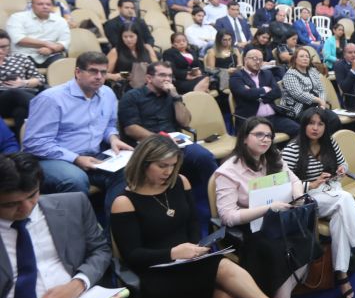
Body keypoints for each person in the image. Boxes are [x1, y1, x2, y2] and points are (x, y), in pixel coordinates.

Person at [110, 135, 316, 298]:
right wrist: (173, 253)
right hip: (155, 275)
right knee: (222, 266)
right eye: (162, 166)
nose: (169, 172)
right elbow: (132, 256)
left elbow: (192, 223)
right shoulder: (124, 202)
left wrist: (195, 250)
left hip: (188, 264)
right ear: (143, 164)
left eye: (173, 165)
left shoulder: (180, 182)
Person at [283, 108, 355, 298]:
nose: (315, 128)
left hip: (331, 191)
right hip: (307, 197)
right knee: (345, 199)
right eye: (311, 123)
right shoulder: (292, 150)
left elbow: (344, 165)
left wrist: (342, 169)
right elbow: (284, 186)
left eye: (320, 124)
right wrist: (311, 183)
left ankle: (341, 275)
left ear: (326, 127)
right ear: (304, 125)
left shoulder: (330, 142)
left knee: (340, 219)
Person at [214, 117, 312, 298]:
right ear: (244, 139)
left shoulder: (273, 156)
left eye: (269, 135)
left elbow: (293, 179)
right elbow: (228, 216)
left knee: (307, 240)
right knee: (277, 250)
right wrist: (266, 209)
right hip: (248, 229)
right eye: (259, 134)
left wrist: (297, 196)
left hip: (278, 220)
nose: (265, 140)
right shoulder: (227, 171)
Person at [0, 153, 112, 298]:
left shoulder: (74, 204)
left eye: (32, 196)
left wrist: (78, 283)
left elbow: (100, 250)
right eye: (11, 204)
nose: (26, 208)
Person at [23, 52, 134, 217]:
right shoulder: (51, 99)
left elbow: (109, 125)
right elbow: (35, 143)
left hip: (92, 155)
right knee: (75, 179)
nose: (99, 77)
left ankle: (113, 231)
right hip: (51, 159)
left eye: (103, 72)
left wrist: (112, 138)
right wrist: (75, 158)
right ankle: (76, 233)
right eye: (93, 71)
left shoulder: (107, 94)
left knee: (131, 168)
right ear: (77, 72)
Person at [118, 62, 218, 204]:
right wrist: (162, 141)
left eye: (170, 75)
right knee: (161, 163)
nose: (167, 79)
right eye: (162, 75)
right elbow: (131, 128)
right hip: (148, 145)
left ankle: (217, 198)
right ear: (149, 78)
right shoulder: (132, 96)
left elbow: (185, 122)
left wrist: (176, 96)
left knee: (204, 156)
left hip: (175, 142)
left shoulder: (172, 96)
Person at [230, 49, 300, 137]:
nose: (258, 61)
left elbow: (277, 92)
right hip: (252, 120)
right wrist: (264, 89)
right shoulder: (237, 76)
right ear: (245, 59)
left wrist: (255, 94)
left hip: (273, 117)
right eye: (254, 58)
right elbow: (245, 94)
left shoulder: (267, 74)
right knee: (263, 138)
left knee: (298, 130)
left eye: (260, 59)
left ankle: (288, 150)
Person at [280, 49, 340, 130]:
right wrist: (318, 100)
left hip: (316, 106)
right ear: (295, 59)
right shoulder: (290, 75)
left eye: (307, 57)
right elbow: (298, 94)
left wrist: (321, 103)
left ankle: (328, 141)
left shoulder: (312, 71)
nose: (305, 58)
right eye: (301, 56)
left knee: (334, 119)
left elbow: (321, 89)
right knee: (321, 122)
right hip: (299, 108)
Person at [6, 0, 70, 68]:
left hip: (50, 55)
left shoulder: (60, 21)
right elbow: (19, 39)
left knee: (64, 65)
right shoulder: (17, 17)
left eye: (48, 4)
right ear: (32, 6)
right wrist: (47, 44)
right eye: (40, 4)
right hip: (24, 54)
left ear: (52, 6)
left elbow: (64, 42)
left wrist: (51, 50)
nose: (45, 7)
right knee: (17, 65)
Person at [0, 29, 45, 132]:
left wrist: (23, 82)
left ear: (9, 46)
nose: (0, 51)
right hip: (2, 99)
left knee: (21, 112)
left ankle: (23, 145)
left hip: (21, 97)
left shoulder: (20, 58)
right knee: (13, 92)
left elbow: (40, 79)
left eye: (4, 47)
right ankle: (45, 111)